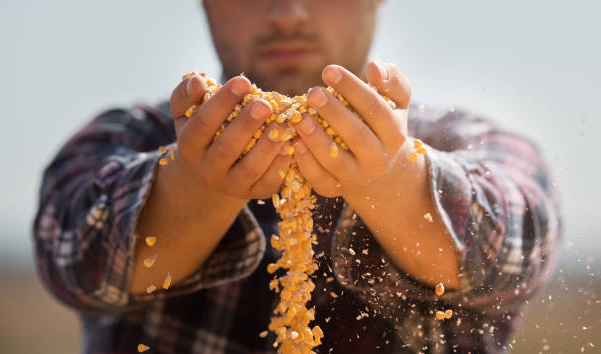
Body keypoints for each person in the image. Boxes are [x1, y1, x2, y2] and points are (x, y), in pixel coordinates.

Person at [32, 0, 562, 353]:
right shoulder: (132, 136)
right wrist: (195, 186)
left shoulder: (467, 141)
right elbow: (75, 257)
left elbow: (514, 244)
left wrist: (394, 180)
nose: (286, 12)